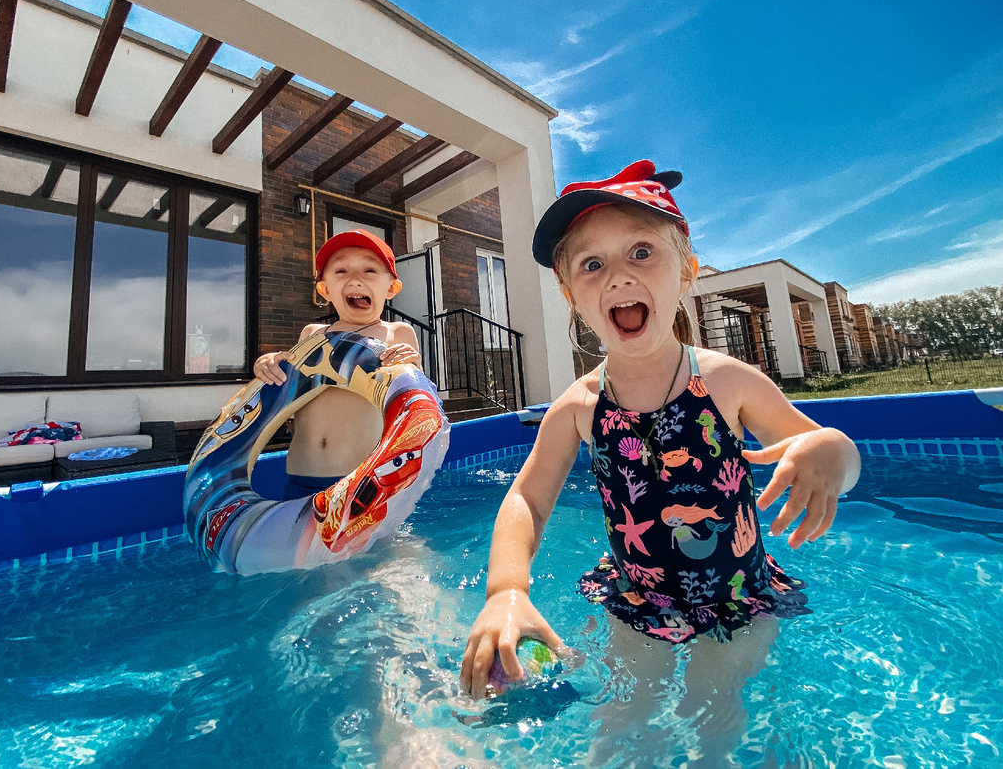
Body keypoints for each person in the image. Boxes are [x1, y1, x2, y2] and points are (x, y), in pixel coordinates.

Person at [460, 159, 861, 708]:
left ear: (687, 270)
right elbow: (527, 498)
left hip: (738, 596)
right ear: (570, 293)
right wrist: (506, 591)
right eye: (592, 264)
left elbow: (828, 455)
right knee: (622, 716)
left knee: (718, 712)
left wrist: (834, 451)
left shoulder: (727, 381)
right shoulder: (579, 406)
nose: (619, 276)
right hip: (638, 595)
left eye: (642, 252)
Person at [253, 229, 422, 500]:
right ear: (325, 290)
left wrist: (411, 364)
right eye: (341, 271)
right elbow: (290, 387)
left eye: (369, 270)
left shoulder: (396, 333)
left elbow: (416, 402)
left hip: (362, 480)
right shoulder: (312, 334)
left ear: (391, 288)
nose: (355, 279)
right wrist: (268, 363)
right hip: (300, 473)